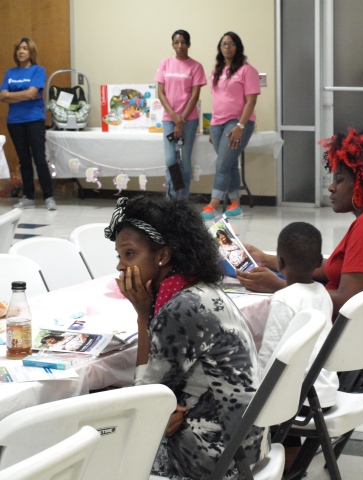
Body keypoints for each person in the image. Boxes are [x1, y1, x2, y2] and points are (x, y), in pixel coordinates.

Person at [237, 128, 363, 386]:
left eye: (341, 180)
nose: (332, 187)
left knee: (248, 343)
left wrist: (280, 287)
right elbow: (330, 270)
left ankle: (263, 411)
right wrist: (268, 260)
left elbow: (347, 300)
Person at [105, 195, 268, 479]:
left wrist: (143, 315)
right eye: (119, 257)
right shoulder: (199, 288)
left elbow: (142, 399)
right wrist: (165, 408)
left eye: (129, 254)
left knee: (102, 442)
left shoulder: (182, 308)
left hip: (218, 457)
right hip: (245, 444)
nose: (120, 266)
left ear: (163, 256)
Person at [258, 221, 338, 471]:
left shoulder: (283, 299)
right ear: (318, 263)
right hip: (325, 391)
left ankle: (271, 463)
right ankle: (292, 455)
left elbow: (269, 359)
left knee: (261, 393)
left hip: (301, 399)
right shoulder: (323, 293)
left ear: (279, 262)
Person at [201, 32, 260, 220]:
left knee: (222, 165)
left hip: (237, 122)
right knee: (230, 164)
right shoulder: (216, 71)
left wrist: (240, 126)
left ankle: (212, 205)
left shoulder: (246, 70)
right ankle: (236, 205)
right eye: (224, 43)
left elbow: (251, 101)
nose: (227, 47)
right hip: (217, 123)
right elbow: (218, 100)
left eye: (231, 43)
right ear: (220, 47)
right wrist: (211, 126)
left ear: (238, 47)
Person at [0, 37, 57, 210]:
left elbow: (33, 93)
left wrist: (12, 96)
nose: (21, 51)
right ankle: (28, 196)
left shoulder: (38, 71)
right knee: (24, 160)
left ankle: (48, 196)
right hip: (15, 121)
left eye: (25, 48)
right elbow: (2, 96)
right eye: (18, 48)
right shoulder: (10, 73)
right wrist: (24, 95)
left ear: (31, 51)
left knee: (39, 159)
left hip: (34, 120)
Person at [155, 30, 206, 198]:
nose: (180, 46)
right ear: (172, 45)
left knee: (184, 163)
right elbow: (161, 93)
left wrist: (181, 120)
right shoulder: (165, 64)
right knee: (171, 161)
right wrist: (174, 117)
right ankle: (171, 200)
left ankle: (182, 201)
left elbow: (195, 95)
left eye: (183, 42)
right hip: (170, 119)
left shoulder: (196, 66)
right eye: (176, 42)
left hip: (189, 121)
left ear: (189, 44)